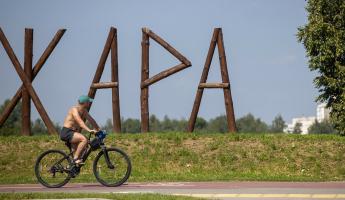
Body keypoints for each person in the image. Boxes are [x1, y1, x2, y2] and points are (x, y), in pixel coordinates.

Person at [60, 95, 100, 164]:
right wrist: (89, 130)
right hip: (67, 132)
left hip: (73, 133)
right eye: (88, 102)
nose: (89, 103)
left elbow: (91, 120)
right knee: (84, 139)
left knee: (83, 149)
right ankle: (75, 159)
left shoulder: (84, 111)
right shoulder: (74, 109)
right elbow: (80, 122)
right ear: (85, 103)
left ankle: (71, 167)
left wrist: (99, 129)